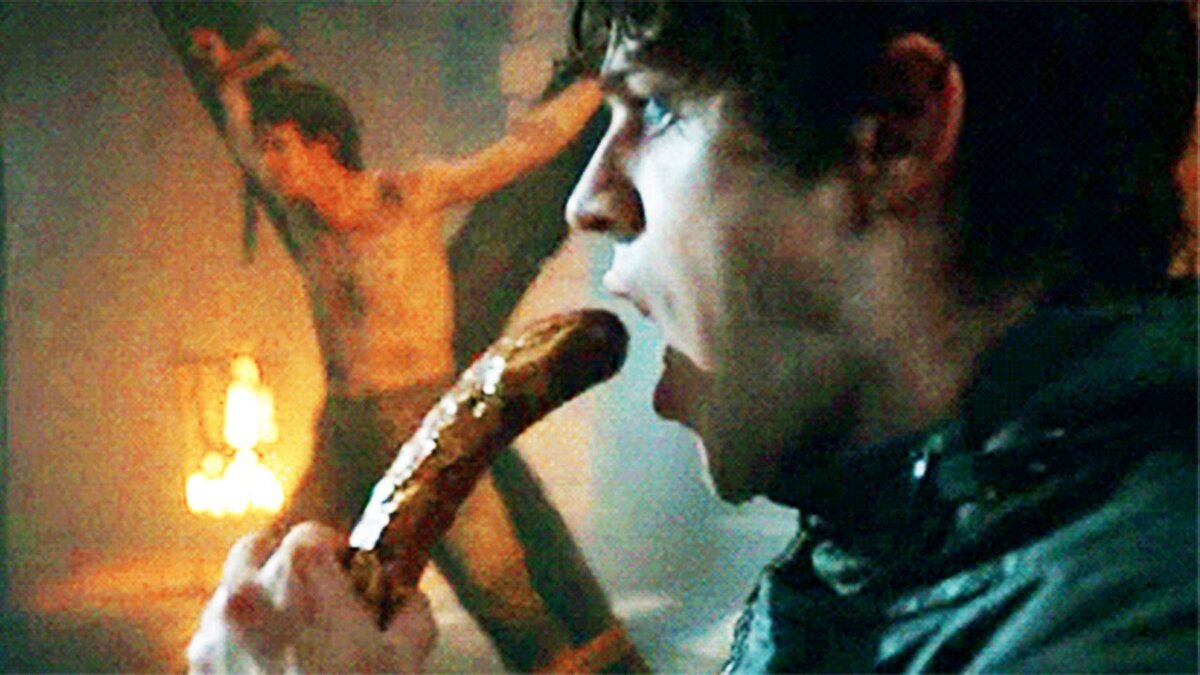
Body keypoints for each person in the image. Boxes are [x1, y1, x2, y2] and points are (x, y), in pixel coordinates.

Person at [189, 2, 1198, 672]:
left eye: (659, 107)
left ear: (892, 129)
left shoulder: (1130, 627)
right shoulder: (887, 560)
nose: (591, 199)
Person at [184, 25, 646, 673]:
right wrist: (230, 79)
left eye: (281, 145)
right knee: (277, 570)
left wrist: (594, 82)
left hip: (425, 418)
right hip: (344, 426)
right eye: (267, 148)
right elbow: (243, 149)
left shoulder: (406, 196)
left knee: (501, 586)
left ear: (324, 144)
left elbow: (521, 151)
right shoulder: (303, 219)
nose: (272, 161)